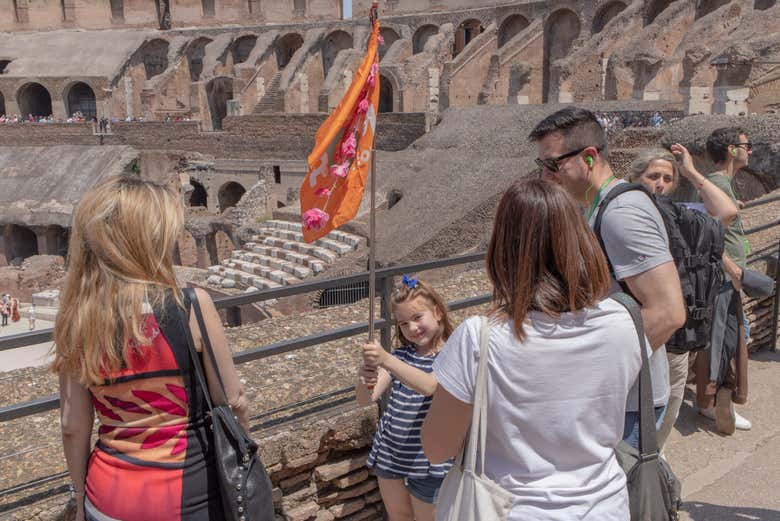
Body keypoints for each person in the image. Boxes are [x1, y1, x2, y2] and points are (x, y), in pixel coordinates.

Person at [422, 179, 641, 520]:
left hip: (513, 509)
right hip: (605, 507)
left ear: (503, 250)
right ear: (581, 240)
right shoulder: (624, 321)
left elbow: (437, 449)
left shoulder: (480, 338)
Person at [53, 175, 248, 521]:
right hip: (189, 492)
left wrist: (80, 500)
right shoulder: (191, 305)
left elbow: (73, 426)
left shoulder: (76, 318)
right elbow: (232, 401)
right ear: (145, 240)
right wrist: (245, 460)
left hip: (109, 495)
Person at [530, 106, 685, 449]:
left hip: (623, 402)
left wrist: (593, 379)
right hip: (615, 396)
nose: (545, 175)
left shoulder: (622, 214)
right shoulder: (596, 206)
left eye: (553, 164)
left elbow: (668, 312)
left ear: (588, 157)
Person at [628, 145, 739, 447]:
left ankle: (652, 466)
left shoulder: (680, 216)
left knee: (669, 406)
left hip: (676, 335)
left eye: (667, 177)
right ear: (636, 179)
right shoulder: (622, 216)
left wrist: (690, 172)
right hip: (638, 334)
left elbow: (727, 211)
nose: (660, 183)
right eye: (653, 176)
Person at [357, 277, 454, 521]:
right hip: (391, 451)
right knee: (398, 515)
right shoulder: (402, 355)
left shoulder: (452, 354)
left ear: (438, 312)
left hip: (428, 458)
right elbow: (366, 398)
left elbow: (429, 386)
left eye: (418, 317)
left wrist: (386, 359)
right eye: (403, 324)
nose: (411, 328)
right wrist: (364, 376)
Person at [693, 127, 754, 434]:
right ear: (732, 150)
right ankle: (709, 404)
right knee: (720, 341)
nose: (750, 151)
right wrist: (733, 270)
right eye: (747, 146)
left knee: (729, 338)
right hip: (724, 278)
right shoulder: (716, 182)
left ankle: (714, 401)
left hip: (729, 277)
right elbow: (708, 236)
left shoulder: (722, 184)